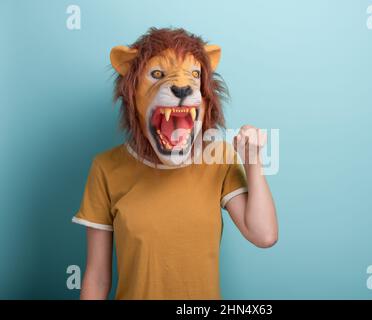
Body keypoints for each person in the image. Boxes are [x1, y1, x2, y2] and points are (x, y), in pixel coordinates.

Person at [72, 28, 278, 299]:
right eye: (156, 74)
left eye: (194, 75)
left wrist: (253, 162)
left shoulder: (219, 159)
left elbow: (263, 235)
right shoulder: (106, 168)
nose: (182, 86)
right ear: (132, 93)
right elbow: (97, 278)